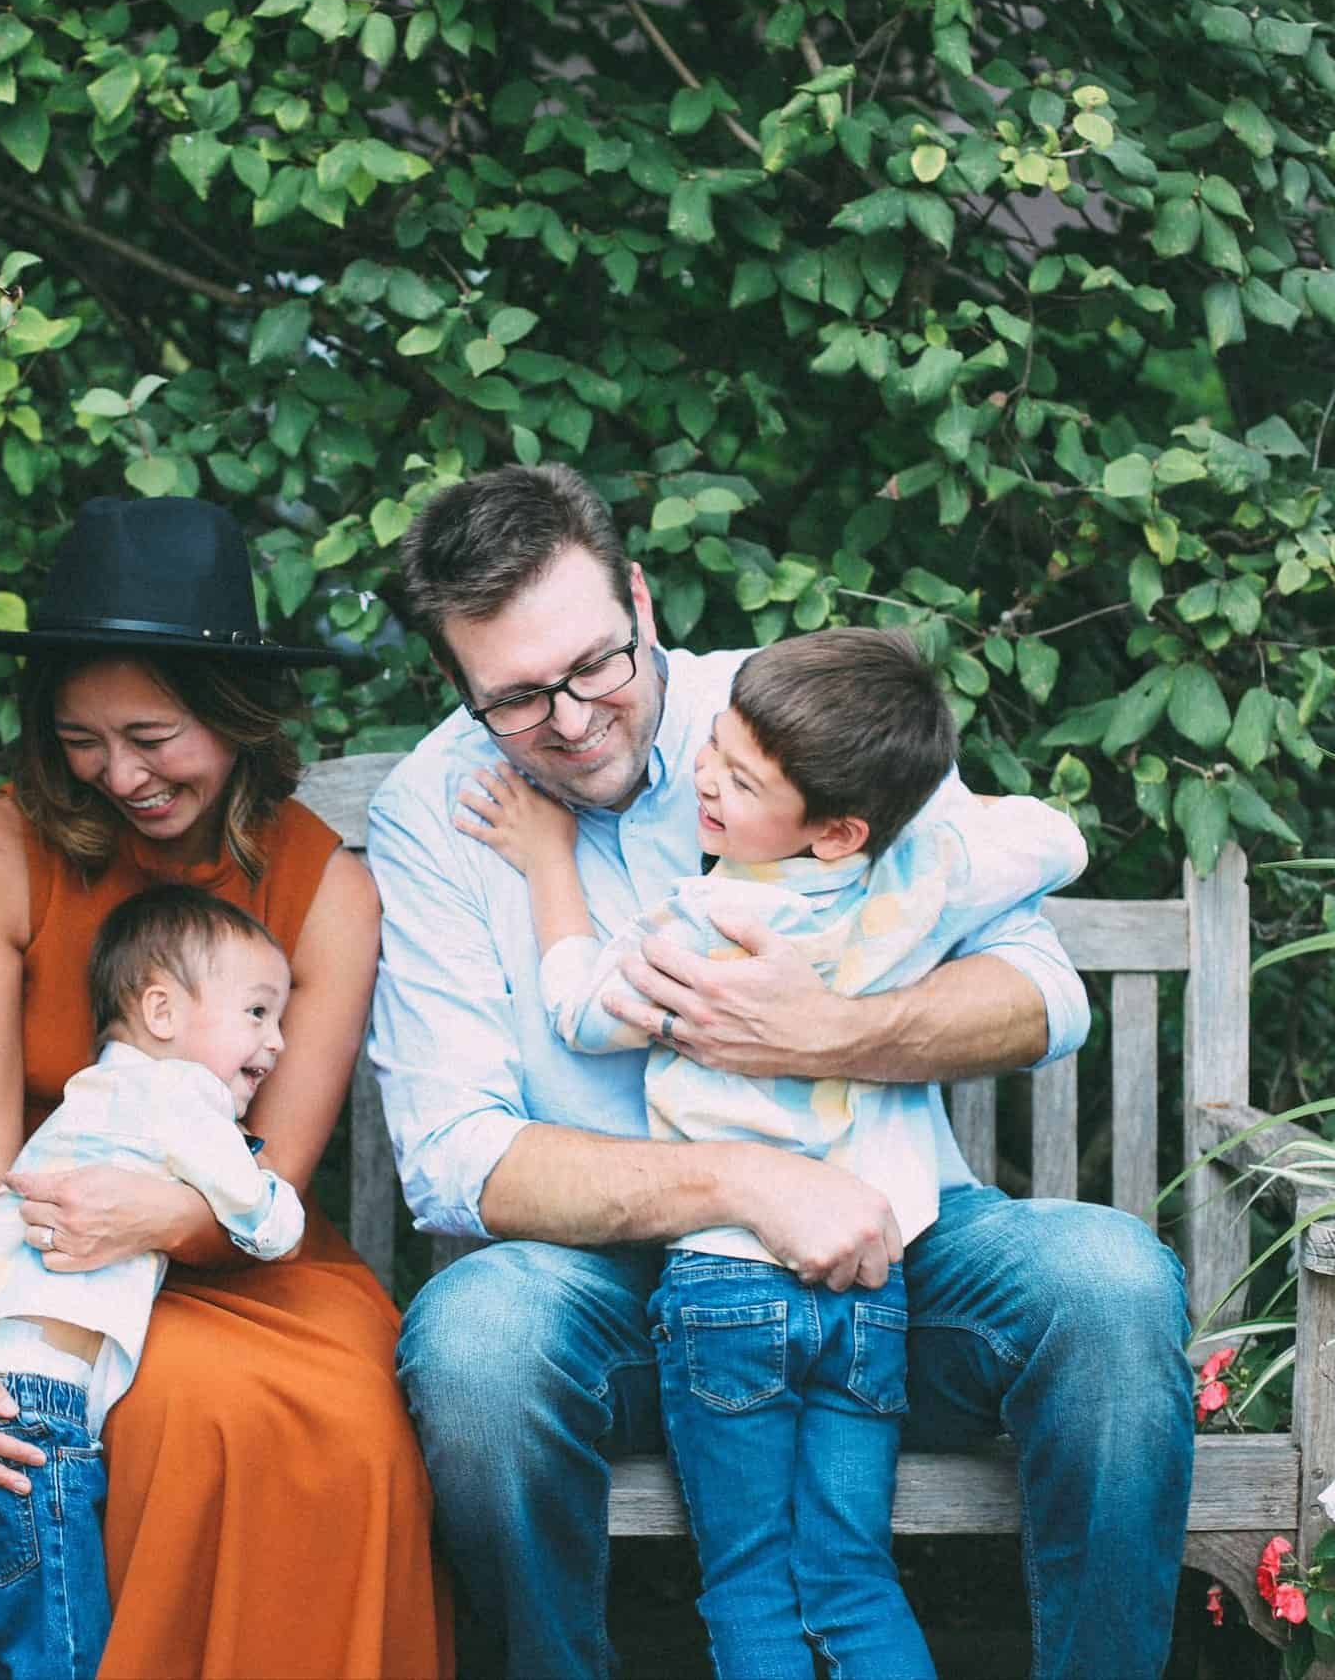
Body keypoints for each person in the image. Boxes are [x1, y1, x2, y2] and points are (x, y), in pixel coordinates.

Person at [365, 464, 1194, 1680]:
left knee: (1111, 1285)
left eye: (597, 663)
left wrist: (826, 1034)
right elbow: (457, 1160)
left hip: (894, 1249)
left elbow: (1037, 993)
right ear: (460, 691)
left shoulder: (791, 716)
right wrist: (746, 1183)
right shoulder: (440, 809)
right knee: (481, 1347)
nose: (576, 717)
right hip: (614, 1290)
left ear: (642, 603)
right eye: (519, 698)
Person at [0, 496, 449, 1680]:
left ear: (235, 718)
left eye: (152, 734)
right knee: (0, 1425)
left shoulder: (329, 889)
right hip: (32, 1265)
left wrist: (160, 1217)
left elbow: (274, 1182)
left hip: (241, 1257)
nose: (118, 774)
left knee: (314, 1432)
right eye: (82, 739)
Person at [453, 626, 1089, 1680]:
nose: (701, 778)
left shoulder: (707, 922)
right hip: (867, 1291)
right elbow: (1054, 842)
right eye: (716, 748)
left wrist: (548, 860)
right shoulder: (919, 890)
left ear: (833, 830)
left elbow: (575, 1007)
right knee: (849, 1576)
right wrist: (926, 811)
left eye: (738, 778)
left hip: (727, 1291)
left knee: (749, 1581)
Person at [0, 886, 309, 1680]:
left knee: (8, 1659)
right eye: (258, 1013)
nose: (280, 1042)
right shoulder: (179, 1095)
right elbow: (265, 1215)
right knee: (67, 1661)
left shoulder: (90, 1097)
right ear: (162, 1011)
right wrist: (275, 1202)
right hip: (31, 1421)